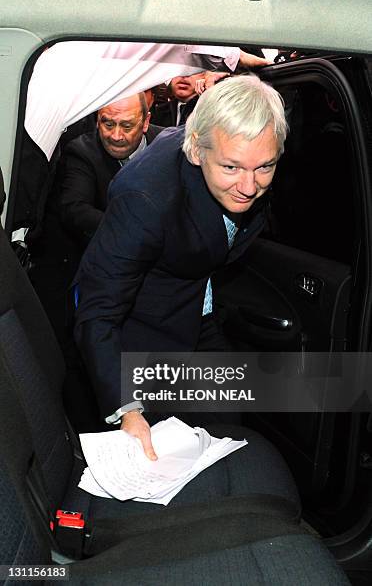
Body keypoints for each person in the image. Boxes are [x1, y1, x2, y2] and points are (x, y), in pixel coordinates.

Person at [74, 75, 287, 459]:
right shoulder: (145, 197)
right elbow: (97, 309)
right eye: (232, 168)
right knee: (165, 455)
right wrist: (127, 408)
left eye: (265, 168)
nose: (249, 186)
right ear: (196, 151)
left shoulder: (248, 156)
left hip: (196, 311)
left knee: (226, 431)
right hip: (142, 335)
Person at [59, 93, 163, 247]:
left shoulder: (168, 145)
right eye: (108, 124)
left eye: (127, 126)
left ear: (146, 122)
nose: (116, 136)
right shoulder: (82, 152)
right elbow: (76, 209)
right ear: (97, 119)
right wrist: (135, 231)